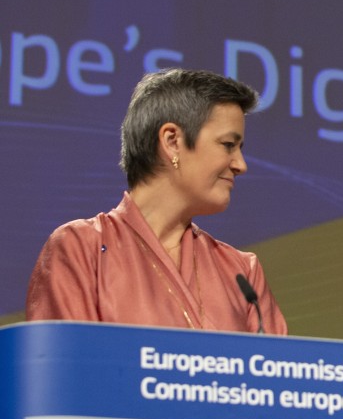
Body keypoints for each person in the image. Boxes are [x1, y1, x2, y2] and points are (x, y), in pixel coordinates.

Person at [26, 68, 287, 334]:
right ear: (172, 141)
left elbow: (275, 371)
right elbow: (68, 367)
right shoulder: (81, 249)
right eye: (228, 144)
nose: (240, 165)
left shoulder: (242, 271)